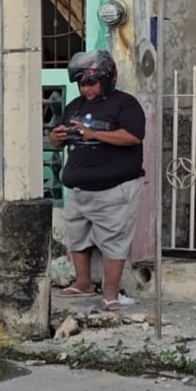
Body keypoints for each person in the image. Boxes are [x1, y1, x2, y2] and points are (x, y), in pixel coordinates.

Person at [48, 50, 146, 312]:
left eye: (91, 83)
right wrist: (56, 138)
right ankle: (83, 283)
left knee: (113, 240)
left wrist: (94, 134)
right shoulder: (75, 107)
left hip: (115, 190)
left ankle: (110, 293)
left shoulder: (125, 104)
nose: (86, 89)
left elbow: (133, 137)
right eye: (82, 84)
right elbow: (56, 140)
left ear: (107, 79)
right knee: (77, 237)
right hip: (78, 189)